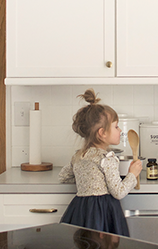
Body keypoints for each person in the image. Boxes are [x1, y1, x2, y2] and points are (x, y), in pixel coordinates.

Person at [59, 89, 142, 235]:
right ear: (102, 133)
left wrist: (86, 180)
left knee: (86, 248)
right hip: (103, 213)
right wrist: (132, 175)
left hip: (80, 211)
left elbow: (64, 177)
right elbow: (118, 192)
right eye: (116, 126)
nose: (120, 130)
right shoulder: (107, 158)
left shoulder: (79, 155)